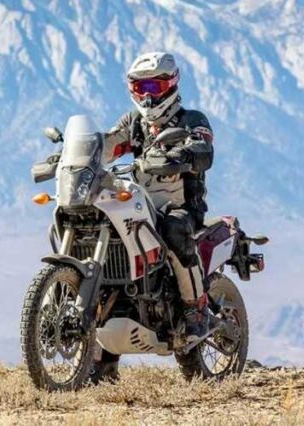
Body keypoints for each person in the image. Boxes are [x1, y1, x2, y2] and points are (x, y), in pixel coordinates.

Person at [94, 52, 215, 381]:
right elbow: (108, 145)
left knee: (173, 229)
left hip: (180, 205)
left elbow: (204, 149)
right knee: (107, 239)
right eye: (140, 87)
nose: (147, 95)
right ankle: (101, 357)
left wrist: (182, 155)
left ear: (171, 85)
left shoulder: (191, 120)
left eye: (154, 86)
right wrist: (75, 154)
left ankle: (195, 308)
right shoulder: (133, 123)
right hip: (138, 203)